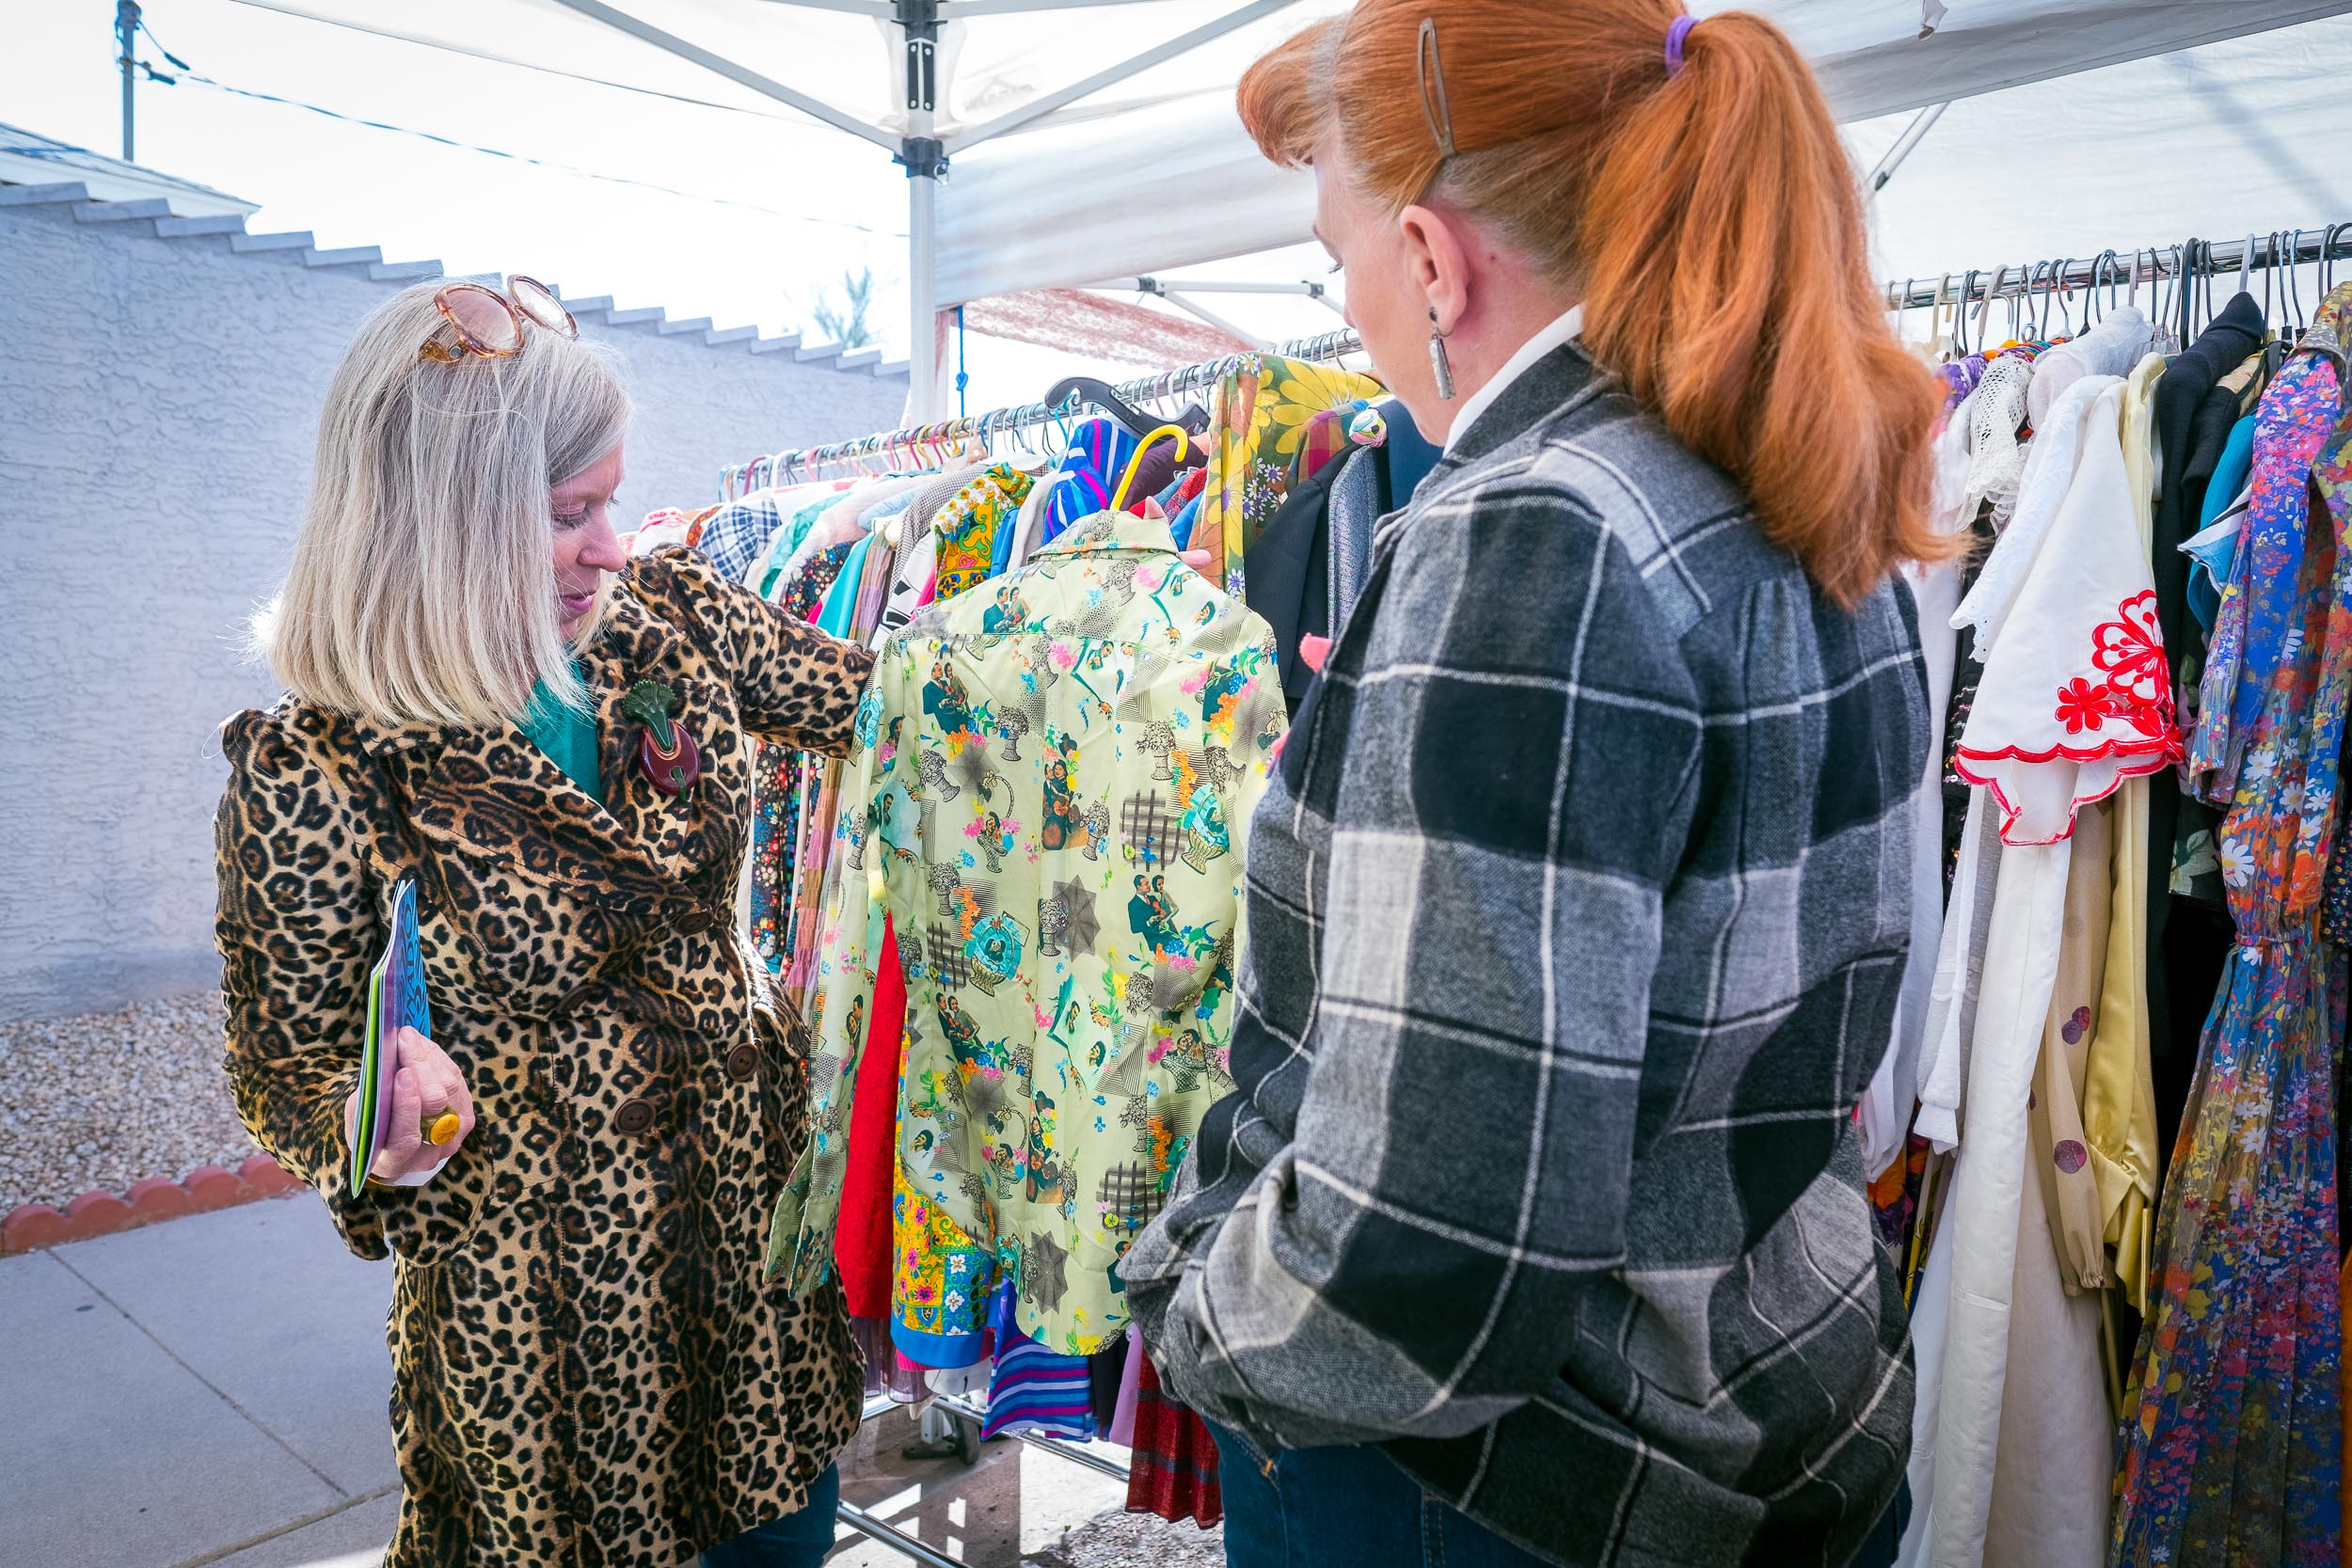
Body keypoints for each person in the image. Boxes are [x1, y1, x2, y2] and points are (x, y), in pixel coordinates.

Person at [1121, 5, 1946, 1567]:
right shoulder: (1789, 462)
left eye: (1337, 255)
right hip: (1777, 1391)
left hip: (1516, 1487)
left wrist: (1198, 1324)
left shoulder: (1534, 527)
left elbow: (1435, 1254)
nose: (1346, 301)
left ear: (1433, 263)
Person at [215, 277, 872, 1568]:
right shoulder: (324, 765)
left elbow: (885, 695)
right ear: (437, 526)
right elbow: (285, 1074)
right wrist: (376, 1128)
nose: (613, 545)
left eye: (613, 503)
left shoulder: (671, 619)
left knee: (784, 1539)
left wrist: (1099, 631)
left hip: (747, 1274)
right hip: (548, 1347)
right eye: (569, 514)